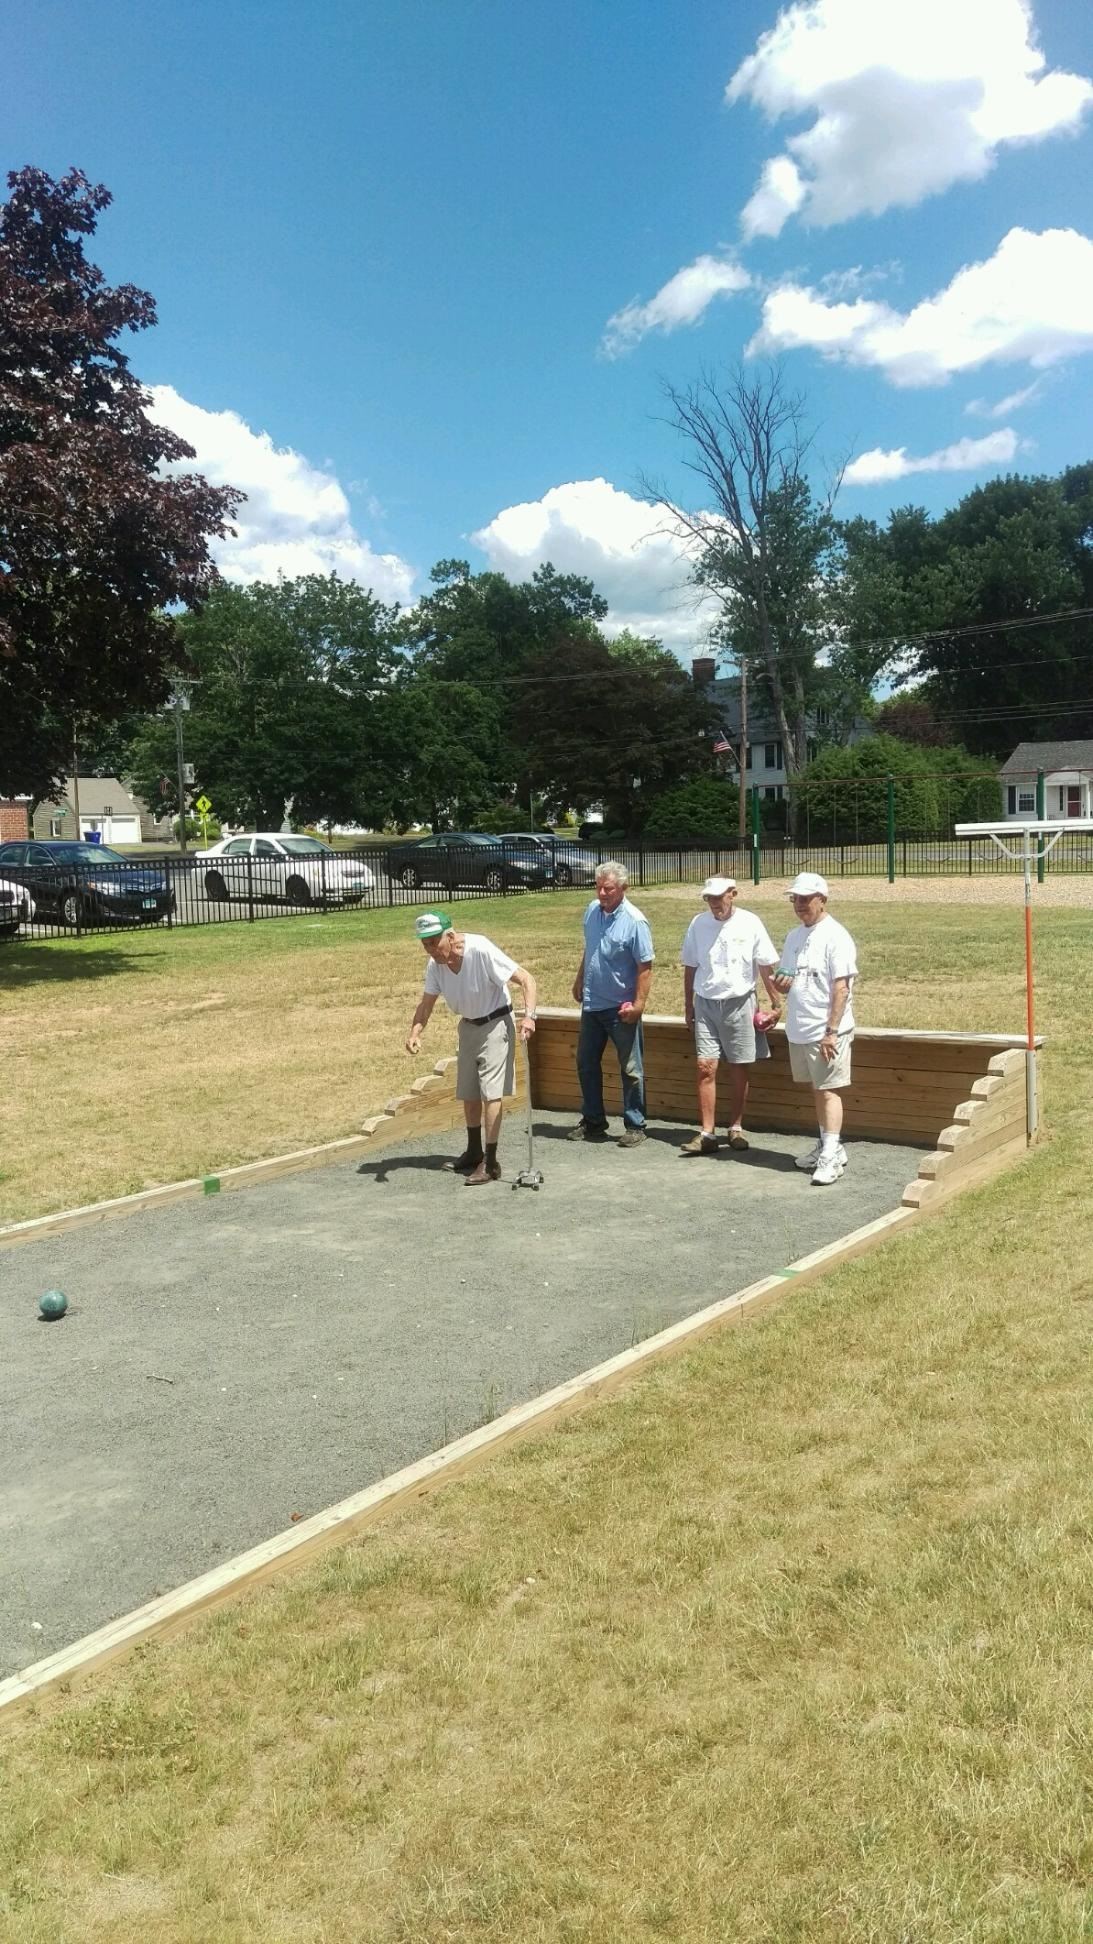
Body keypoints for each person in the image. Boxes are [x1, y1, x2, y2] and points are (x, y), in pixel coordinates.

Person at [405, 911, 537, 1186]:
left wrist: (529, 1017)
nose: (430, 949)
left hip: (495, 1023)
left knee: (491, 1093)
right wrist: (415, 1032)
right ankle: (474, 1151)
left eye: (434, 942)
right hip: (467, 1026)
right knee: (469, 1091)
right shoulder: (435, 965)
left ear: (451, 937)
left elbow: (526, 979)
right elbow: (426, 1003)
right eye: (425, 944)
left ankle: (491, 1162)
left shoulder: (480, 949)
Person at [679, 875, 781, 1156]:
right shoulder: (698, 924)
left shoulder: (750, 922)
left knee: (739, 1066)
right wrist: (688, 1005)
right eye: (709, 898)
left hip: (740, 1002)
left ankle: (735, 1127)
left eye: (718, 897)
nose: (714, 903)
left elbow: (765, 965)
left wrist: (776, 1002)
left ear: (732, 894)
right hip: (706, 1003)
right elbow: (690, 966)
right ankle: (707, 1133)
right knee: (705, 1066)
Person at [770, 872, 858, 1187]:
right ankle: (828, 1144)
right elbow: (787, 979)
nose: (799, 904)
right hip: (800, 1028)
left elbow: (841, 988)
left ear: (823, 899)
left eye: (806, 899)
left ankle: (831, 1156)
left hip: (827, 1030)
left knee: (829, 1090)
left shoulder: (836, 936)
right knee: (818, 1089)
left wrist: (831, 1031)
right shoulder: (793, 937)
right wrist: (781, 985)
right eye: (795, 898)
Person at [568, 861, 654, 1147]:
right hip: (592, 1003)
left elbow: (645, 966)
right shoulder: (592, 911)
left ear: (623, 888)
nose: (602, 893)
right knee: (586, 1063)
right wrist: (580, 978)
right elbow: (591, 948)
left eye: (608, 889)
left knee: (631, 1068)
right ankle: (593, 1121)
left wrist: (638, 1005)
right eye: (599, 887)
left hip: (621, 1008)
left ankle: (635, 1125)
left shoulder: (635, 921)